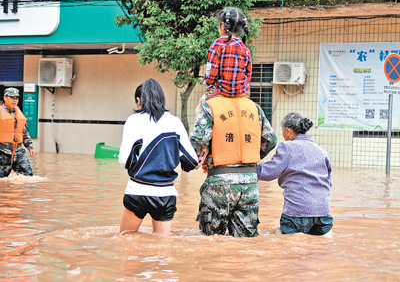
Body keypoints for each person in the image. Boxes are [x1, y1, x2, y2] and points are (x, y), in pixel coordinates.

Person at [118, 79, 198, 237]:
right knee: (161, 249)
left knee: (126, 239)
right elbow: (191, 162)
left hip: (137, 191)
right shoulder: (175, 123)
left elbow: (124, 160)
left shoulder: (133, 121)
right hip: (165, 194)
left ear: (139, 101)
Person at [191, 94, 277, 237]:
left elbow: (198, 140)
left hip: (219, 181)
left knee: (211, 240)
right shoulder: (254, 107)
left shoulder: (209, 105)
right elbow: (271, 140)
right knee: (245, 242)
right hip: (249, 183)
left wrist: (199, 157)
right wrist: (253, 156)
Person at [257, 112, 333, 236]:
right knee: (318, 250)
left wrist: (248, 169)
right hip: (323, 214)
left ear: (287, 131)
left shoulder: (287, 147)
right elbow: (328, 182)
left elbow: (270, 172)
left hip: (297, 214)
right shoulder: (322, 151)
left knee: (290, 250)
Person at [194, 7, 252, 118]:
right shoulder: (245, 49)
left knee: (199, 110)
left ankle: (200, 135)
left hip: (220, 91)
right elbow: (248, 76)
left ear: (222, 25)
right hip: (241, 94)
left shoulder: (217, 44)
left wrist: (207, 85)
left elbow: (211, 74)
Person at [0, 88, 36, 177]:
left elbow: (24, 132)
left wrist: (30, 147)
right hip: (3, 152)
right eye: (12, 97)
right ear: (5, 97)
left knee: (28, 177)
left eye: (16, 98)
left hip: (19, 152)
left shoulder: (18, 113)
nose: (14, 100)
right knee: (2, 179)